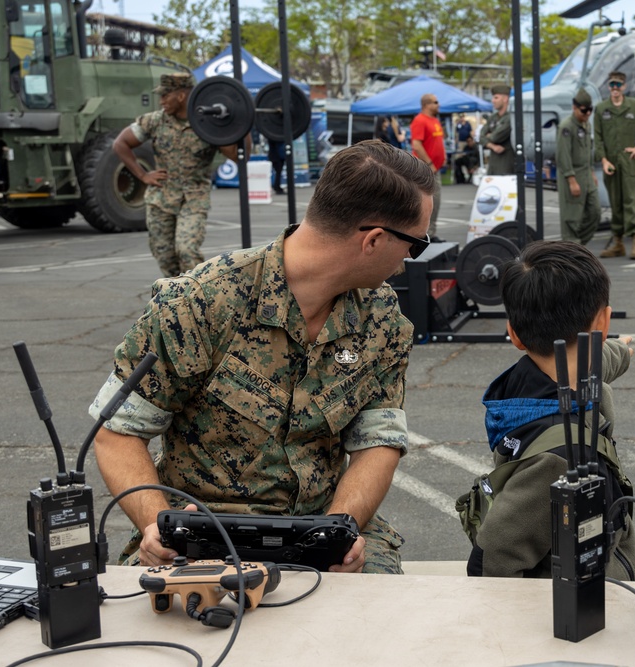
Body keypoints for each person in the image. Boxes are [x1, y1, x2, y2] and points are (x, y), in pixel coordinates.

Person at [89, 140, 437, 575]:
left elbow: (377, 441)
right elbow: (116, 433)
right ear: (374, 240)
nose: (409, 259)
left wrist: (339, 531)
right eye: (416, 244)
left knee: (366, 622)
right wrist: (153, 525)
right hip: (204, 531)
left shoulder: (380, 318)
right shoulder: (201, 303)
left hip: (323, 521)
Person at [466, 240, 635, 579]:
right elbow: (491, 562)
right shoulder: (557, 459)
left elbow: (595, 362)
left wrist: (622, 352)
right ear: (604, 322)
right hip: (579, 608)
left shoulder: (526, 382)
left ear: (513, 334)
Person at [113, 72, 242, 278]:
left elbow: (237, 156)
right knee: (164, 256)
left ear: (181, 96)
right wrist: (143, 175)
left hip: (193, 199)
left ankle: (200, 300)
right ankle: (176, 301)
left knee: (187, 251)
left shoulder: (207, 124)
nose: (161, 101)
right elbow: (120, 143)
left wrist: (242, 125)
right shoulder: (155, 121)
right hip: (160, 199)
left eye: (165, 95)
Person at [594, 71, 635, 261]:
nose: (615, 89)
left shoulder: (634, 106)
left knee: (631, 201)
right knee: (616, 203)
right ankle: (618, 244)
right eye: (612, 85)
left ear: (624, 87)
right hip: (611, 162)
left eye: (618, 85)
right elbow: (597, 138)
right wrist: (603, 160)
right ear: (608, 87)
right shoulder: (601, 109)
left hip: (628, 161)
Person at [555, 89, 600, 246]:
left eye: (590, 110)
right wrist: (571, 179)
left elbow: (588, 150)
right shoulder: (566, 127)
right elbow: (563, 155)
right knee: (571, 217)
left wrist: (592, 172)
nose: (587, 114)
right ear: (574, 107)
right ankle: (571, 250)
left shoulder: (586, 125)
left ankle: (577, 245)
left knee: (595, 212)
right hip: (572, 175)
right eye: (584, 110)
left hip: (586, 174)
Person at [410, 93, 445, 241]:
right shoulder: (420, 120)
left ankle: (431, 233)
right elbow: (416, 144)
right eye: (435, 102)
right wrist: (429, 163)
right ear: (426, 104)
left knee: (436, 202)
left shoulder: (435, 120)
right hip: (426, 169)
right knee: (430, 201)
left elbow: (436, 142)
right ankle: (426, 235)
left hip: (435, 168)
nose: (438, 105)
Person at [481, 84, 514, 175]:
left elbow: (496, 137)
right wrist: (493, 146)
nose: (493, 101)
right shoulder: (492, 118)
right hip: (493, 163)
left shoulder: (511, 117)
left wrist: (489, 136)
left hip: (507, 163)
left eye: (496, 98)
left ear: (505, 99)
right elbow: (480, 136)